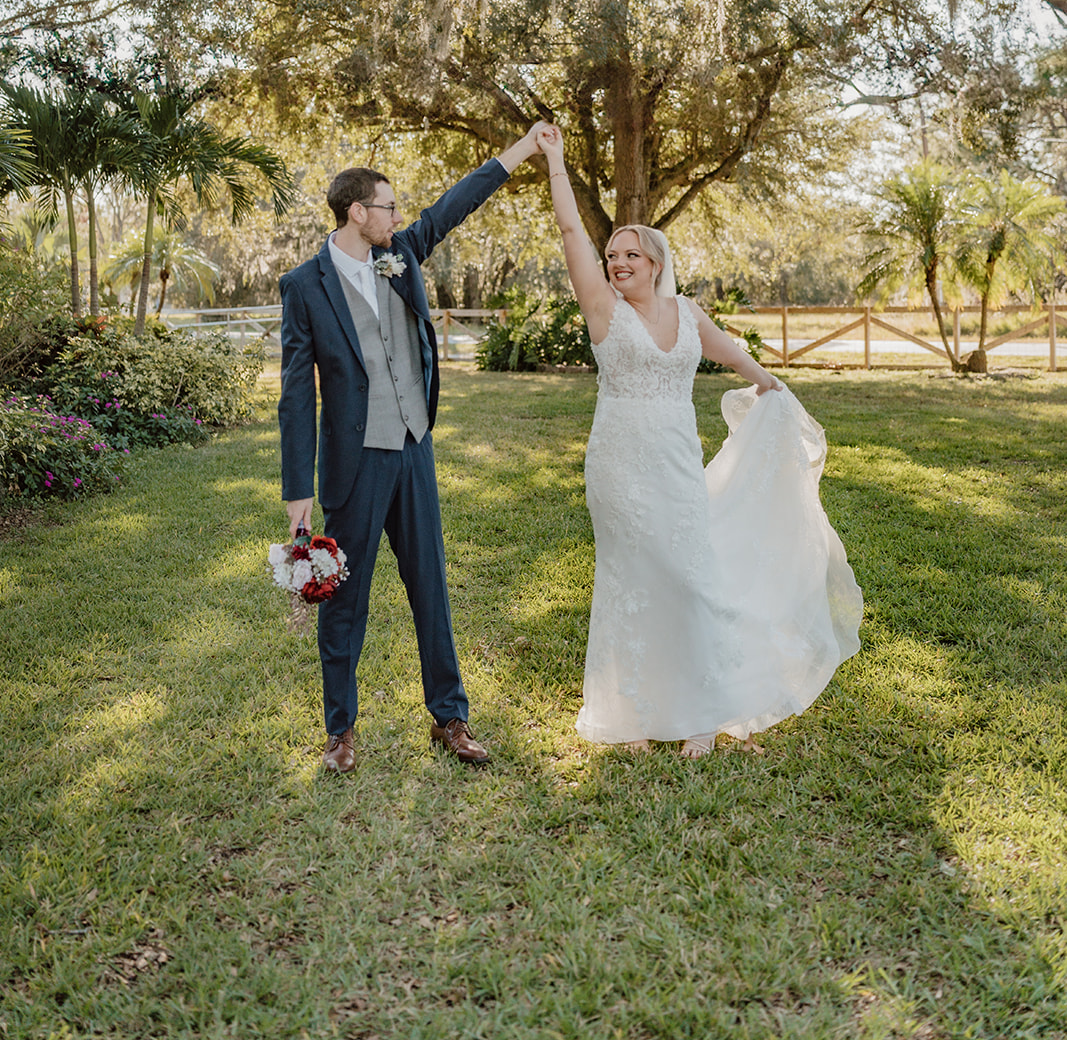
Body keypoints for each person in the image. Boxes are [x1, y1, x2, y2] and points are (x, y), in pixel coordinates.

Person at [534, 124, 862, 756]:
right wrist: (554, 160)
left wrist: (769, 384)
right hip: (619, 463)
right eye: (612, 257)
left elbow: (730, 353)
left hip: (676, 459)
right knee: (631, 577)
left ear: (655, 263)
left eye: (630, 255)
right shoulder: (604, 311)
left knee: (687, 576)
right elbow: (573, 232)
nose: (618, 262)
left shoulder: (687, 313)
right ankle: (631, 713)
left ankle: (699, 713)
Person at [278, 127, 547, 772]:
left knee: (430, 586)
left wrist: (522, 151)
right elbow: (295, 395)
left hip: (413, 449)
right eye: (389, 207)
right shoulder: (304, 286)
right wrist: (298, 495)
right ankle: (340, 732)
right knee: (346, 596)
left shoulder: (398, 254)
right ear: (357, 213)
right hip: (355, 463)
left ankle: (449, 718)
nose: (400, 217)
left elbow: (457, 204)